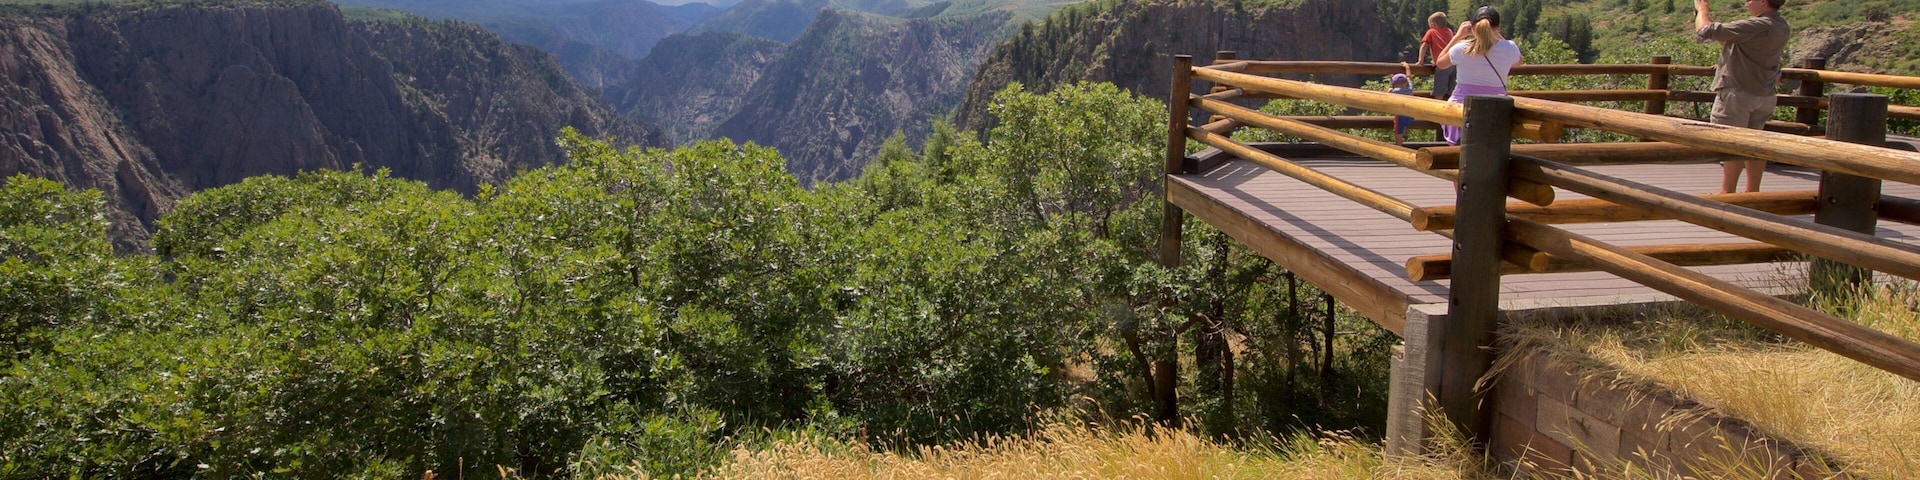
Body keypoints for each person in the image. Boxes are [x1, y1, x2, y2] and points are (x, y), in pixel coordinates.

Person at [1696, 0, 1789, 194]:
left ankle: (1727, 192)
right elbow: (1731, 40)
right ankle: (1752, 193)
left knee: (1731, 143)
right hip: (1764, 94)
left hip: (1737, 94)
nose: (1747, 3)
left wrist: (1702, 9)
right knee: (1754, 145)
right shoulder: (1781, 26)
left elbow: (1705, 31)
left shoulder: (1757, 25)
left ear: (1763, 1)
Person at [1435, 6, 1523, 146]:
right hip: (1496, 108)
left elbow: (1440, 63)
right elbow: (1519, 62)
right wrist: (1496, 34)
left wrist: (1457, 36)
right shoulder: (1509, 47)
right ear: (1498, 27)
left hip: (1463, 107)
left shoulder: (1462, 48)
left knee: (1460, 148)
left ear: (1473, 28)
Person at [1418, 12, 1456, 101]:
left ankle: (1438, 107)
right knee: (1451, 91)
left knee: (1439, 92)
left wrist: (1420, 61)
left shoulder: (1431, 31)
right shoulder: (1449, 31)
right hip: (1453, 63)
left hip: (1442, 64)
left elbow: (1424, 46)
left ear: (1433, 24)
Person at [1391, 62, 1417, 145]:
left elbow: (1385, 96)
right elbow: (1409, 77)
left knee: (1397, 131)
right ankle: (1403, 137)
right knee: (1404, 126)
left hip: (1401, 114)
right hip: (1411, 114)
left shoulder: (1395, 91)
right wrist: (1407, 67)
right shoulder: (1410, 88)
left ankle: (1399, 146)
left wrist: (1389, 91)